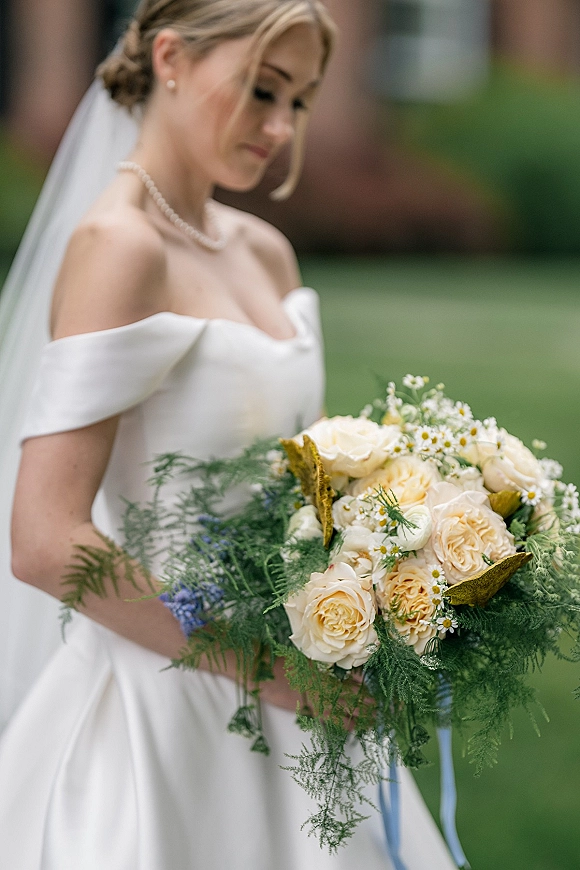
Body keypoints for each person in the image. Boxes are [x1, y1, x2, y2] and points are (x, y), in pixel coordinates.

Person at [0, 2, 457, 867]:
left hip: (304, 686)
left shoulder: (264, 252)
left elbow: (308, 487)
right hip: (165, 698)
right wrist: (266, 670)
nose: (280, 128)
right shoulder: (118, 248)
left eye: (301, 102)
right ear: (170, 56)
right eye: (261, 90)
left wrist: (396, 570)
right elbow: (44, 539)